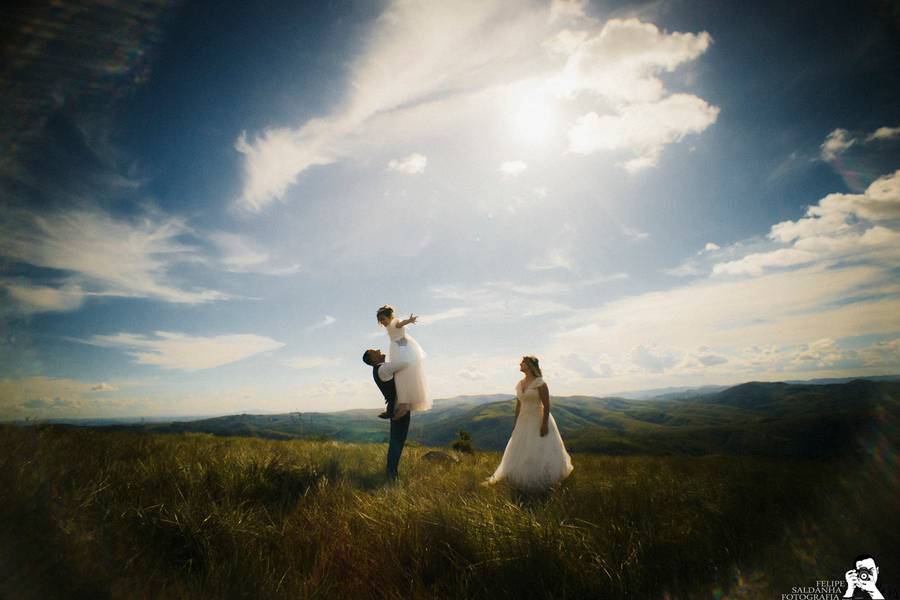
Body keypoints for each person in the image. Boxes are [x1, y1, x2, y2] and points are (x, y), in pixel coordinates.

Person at [487, 355, 573, 489]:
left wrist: (544, 424)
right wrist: (515, 422)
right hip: (523, 420)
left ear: (529, 365)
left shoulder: (540, 383)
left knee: (538, 448)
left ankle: (542, 478)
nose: (520, 364)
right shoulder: (520, 384)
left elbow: (547, 405)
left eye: (522, 362)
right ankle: (519, 477)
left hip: (537, 419)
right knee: (521, 448)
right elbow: (518, 405)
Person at [362, 348, 412, 480]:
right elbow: (406, 362)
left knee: (397, 441)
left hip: (394, 407)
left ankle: (391, 472)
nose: (379, 350)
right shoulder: (383, 369)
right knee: (397, 441)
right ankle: (391, 474)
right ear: (373, 359)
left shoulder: (381, 368)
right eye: (375, 352)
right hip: (398, 408)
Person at [376, 304, 431, 415]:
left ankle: (404, 405)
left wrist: (409, 320)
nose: (382, 322)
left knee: (403, 376)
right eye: (380, 320)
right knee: (399, 376)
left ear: (390, 317)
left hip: (402, 347)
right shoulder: (388, 325)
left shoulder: (395, 322)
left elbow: (401, 324)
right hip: (396, 347)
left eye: (383, 319)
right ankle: (402, 404)